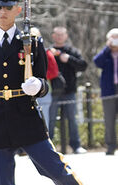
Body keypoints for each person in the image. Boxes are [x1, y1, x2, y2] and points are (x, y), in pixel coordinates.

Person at [0, 1, 112, 185]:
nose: (3, 12)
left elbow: (44, 83)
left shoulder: (33, 42)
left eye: (8, 7)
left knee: (57, 169)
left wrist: (38, 86)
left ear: (18, 10)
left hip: (26, 120)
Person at [48, 26, 88, 154]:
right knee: (50, 119)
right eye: (57, 34)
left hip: (69, 91)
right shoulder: (48, 51)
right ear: (53, 36)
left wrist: (69, 59)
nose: (59, 37)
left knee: (72, 119)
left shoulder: (71, 51)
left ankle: (76, 145)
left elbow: (83, 66)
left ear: (66, 36)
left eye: (62, 34)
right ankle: (49, 147)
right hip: (52, 92)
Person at [93, 28, 118, 155]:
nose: (115, 41)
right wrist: (107, 48)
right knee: (109, 119)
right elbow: (97, 62)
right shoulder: (105, 54)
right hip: (109, 90)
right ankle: (111, 145)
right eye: (113, 38)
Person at [31, 27, 60, 126]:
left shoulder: (46, 52)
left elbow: (54, 72)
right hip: (27, 92)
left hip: (43, 92)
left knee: (44, 121)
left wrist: (39, 76)